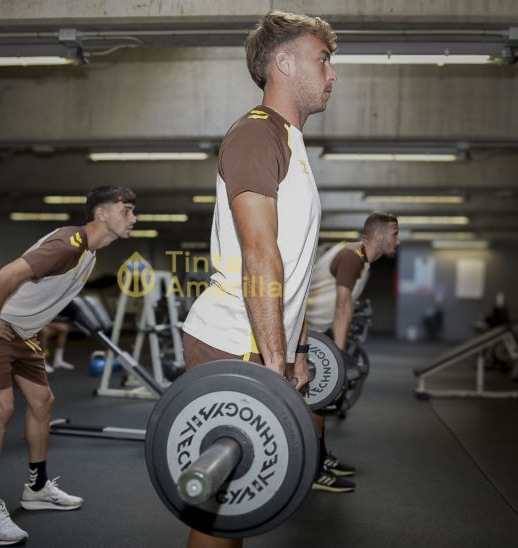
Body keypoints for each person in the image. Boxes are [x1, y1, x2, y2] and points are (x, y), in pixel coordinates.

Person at [181, 11, 337, 548]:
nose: (332, 73)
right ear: (284, 63)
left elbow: (295, 266)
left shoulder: (289, 140)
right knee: (220, 512)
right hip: (233, 341)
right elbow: (259, 254)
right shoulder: (256, 132)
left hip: (259, 342)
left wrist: (297, 352)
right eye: (323, 59)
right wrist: (273, 364)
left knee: (238, 506)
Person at [0, 186, 136, 546]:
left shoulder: (88, 255)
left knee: (43, 402)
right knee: (0, 409)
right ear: (101, 214)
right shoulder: (68, 244)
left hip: (23, 331)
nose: (133, 218)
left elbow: (49, 290)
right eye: (126, 210)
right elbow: (7, 275)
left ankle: (38, 488)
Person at [306, 211, 400, 490]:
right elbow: (342, 305)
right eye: (395, 235)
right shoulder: (352, 257)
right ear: (379, 235)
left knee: (321, 403)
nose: (398, 241)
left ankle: (321, 458)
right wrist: (339, 355)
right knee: (316, 402)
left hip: (316, 333)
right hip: (307, 333)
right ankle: (312, 471)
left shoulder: (358, 259)